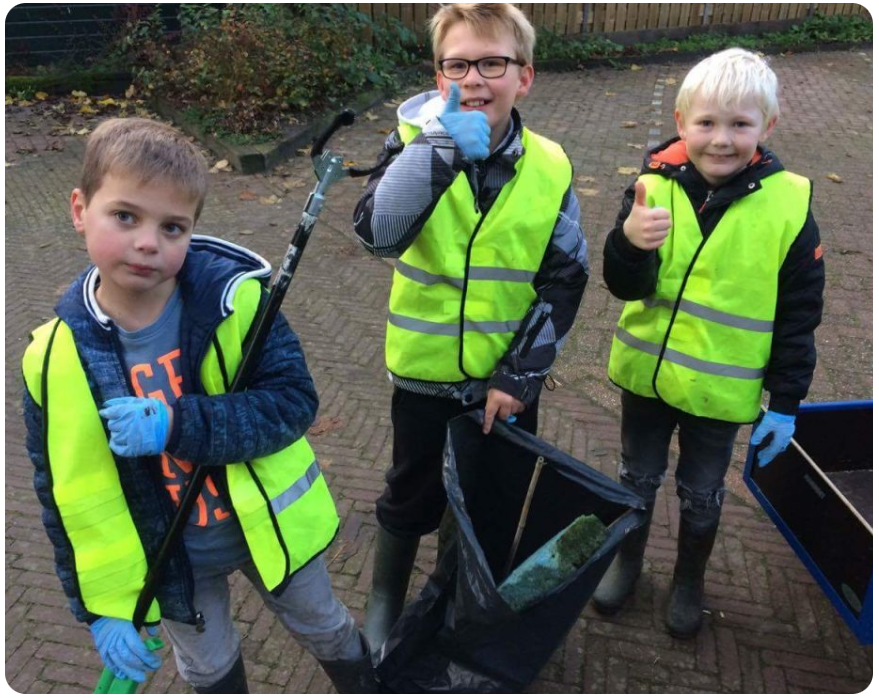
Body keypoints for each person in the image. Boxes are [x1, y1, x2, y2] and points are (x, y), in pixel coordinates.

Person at [22, 118, 376, 693]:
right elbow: (61, 494)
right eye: (125, 216)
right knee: (207, 670)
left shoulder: (237, 305)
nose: (147, 242)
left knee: (326, 628)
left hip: (271, 533)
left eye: (172, 226)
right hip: (173, 562)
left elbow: (291, 403)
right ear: (79, 209)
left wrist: (175, 422)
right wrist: (98, 606)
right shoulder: (53, 359)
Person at [353, 3, 589, 651]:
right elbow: (376, 233)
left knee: (486, 509)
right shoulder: (410, 146)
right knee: (408, 497)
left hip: (505, 386)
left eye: (492, 63)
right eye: (457, 64)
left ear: (525, 77)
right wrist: (438, 148)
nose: (475, 79)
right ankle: (383, 604)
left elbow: (563, 277)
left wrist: (519, 375)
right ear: (438, 78)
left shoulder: (549, 164)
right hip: (424, 379)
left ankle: (457, 603)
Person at [596, 48, 825, 638]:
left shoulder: (789, 206)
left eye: (740, 124)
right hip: (646, 380)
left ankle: (689, 580)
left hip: (723, 392)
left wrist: (787, 403)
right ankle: (627, 559)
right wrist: (629, 242)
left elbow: (800, 315)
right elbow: (624, 285)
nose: (721, 140)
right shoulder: (651, 186)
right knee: (635, 479)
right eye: (706, 123)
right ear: (681, 122)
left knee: (701, 493)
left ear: (766, 127)